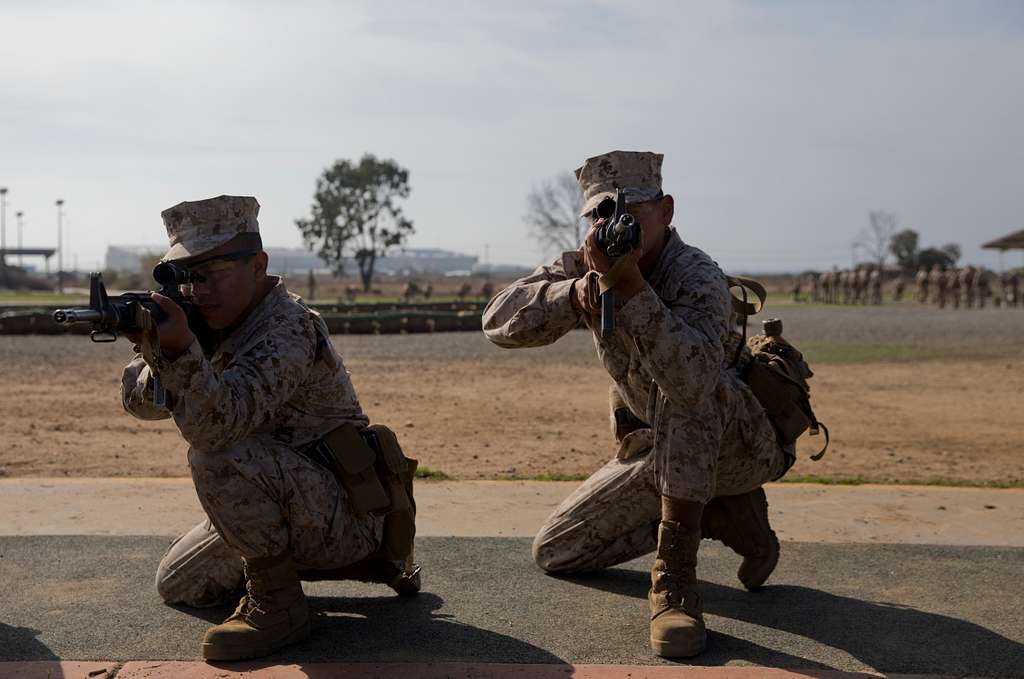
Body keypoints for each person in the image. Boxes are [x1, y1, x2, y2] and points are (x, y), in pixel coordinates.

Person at [483, 151, 795, 658]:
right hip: (666, 453)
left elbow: (693, 382)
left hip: (741, 444)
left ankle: (675, 583)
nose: (613, 226)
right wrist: (574, 294)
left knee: (684, 387)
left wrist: (631, 289)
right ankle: (720, 513)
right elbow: (496, 322)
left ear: (666, 211)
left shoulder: (695, 275)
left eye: (630, 213)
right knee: (557, 551)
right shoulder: (589, 263)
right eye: (601, 214)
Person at [120, 195, 418, 660]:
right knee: (180, 585)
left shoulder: (288, 327)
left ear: (258, 265)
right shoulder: (209, 324)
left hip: (350, 512)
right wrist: (161, 352)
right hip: (285, 495)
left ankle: (281, 607)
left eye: (212, 272)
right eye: (189, 277)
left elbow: (218, 430)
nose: (199, 290)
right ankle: (277, 562)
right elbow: (140, 406)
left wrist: (181, 353)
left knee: (216, 455)